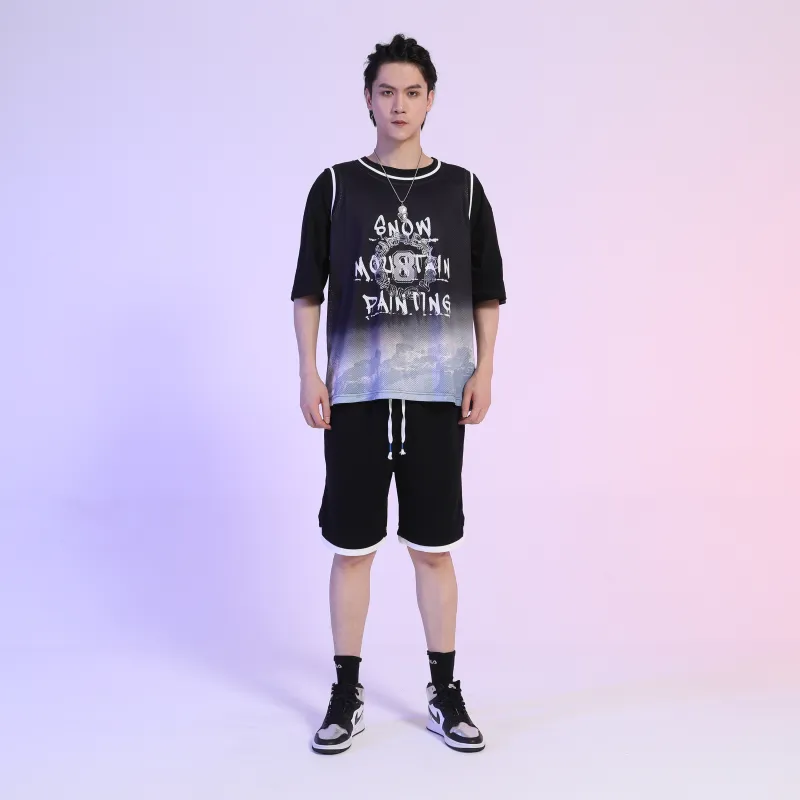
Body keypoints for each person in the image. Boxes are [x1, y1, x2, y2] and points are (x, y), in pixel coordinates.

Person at [291, 33, 506, 754]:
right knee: (352, 550)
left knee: (433, 550)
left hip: (438, 397)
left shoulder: (464, 189)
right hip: (356, 395)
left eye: (413, 92)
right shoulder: (335, 186)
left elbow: (488, 292)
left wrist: (484, 369)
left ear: (431, 99)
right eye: (387, 92)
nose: (400, 105)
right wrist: (309, 373)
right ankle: (345, 691)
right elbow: (308, 291)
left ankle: (444, 691)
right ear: (368, 99)